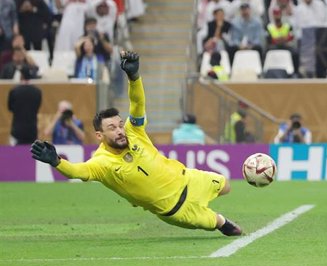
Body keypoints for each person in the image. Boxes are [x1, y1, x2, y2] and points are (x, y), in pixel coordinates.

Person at [30, 51, 243, 236]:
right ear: (99, 136)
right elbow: (78, 171)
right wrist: (57, 162)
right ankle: (222, 223)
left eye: (120, 125)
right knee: (219, 224)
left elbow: (138, 103)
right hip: (176, 210)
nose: (120, 130)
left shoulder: (134, 131)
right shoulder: (102, 163)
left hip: (189, 179)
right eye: (112, 128)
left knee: (227, 186)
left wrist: (134, 78)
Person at [8, 66, 42, 145]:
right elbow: (37, 107)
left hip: (17, 130)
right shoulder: (37, 91)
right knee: (30, 155)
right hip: (32, 130)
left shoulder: (14, 91)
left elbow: (10, 107)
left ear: (21, 76)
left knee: (15, 155)